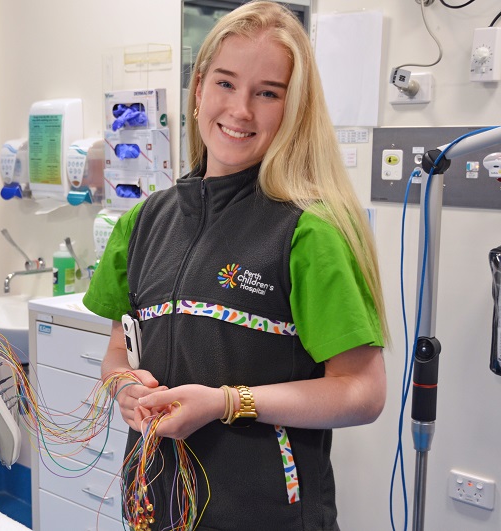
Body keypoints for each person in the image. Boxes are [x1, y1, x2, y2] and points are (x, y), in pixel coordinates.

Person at [82, 1, 388, 529]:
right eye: (225, 83)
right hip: (155, 504)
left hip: (265, 513)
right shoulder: (143, 224)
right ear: (198, 89)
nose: (240, 109)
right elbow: (117, 352)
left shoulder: (307, 232)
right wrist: (125, 391)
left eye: (267, 92)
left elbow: (361, 392)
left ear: (293, 108)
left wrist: (228, 402)